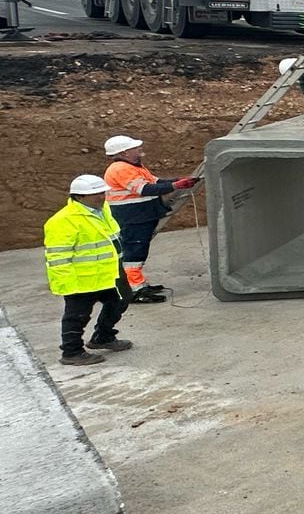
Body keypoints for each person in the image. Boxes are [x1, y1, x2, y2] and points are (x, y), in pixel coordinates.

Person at [43, 175, 132, 367]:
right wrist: (67, 284)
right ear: (79, 197)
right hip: (82, 278)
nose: (101, 197)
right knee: (77, 316)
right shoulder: (63, 220)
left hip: (109, 272)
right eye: (95, 194)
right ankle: (71, 351)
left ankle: (103, 336)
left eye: (102, 192)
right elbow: (57, 257)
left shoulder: (102, 210)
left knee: (121, 300)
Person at [102, 135, 197, 302]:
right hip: (132, 217)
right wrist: (176, 186)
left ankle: (138, 285)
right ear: (124, 152)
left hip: (140, 215)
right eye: (135, 147)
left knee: (138, 251)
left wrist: (176, 181)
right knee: (134, 253)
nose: (139, 149)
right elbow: (145, 189)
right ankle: (134, 290)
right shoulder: (120, 169)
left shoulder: (133, 166)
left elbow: (154, 181)